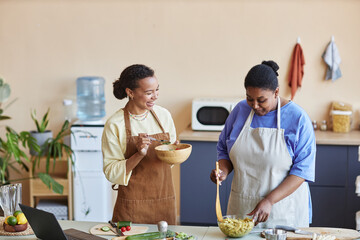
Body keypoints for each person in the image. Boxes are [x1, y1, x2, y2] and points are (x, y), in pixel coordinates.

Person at [210, 60, 316, 228]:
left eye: (261, 100)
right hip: (243, 209)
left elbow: (302, 171)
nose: (255, 106)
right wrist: (222, 170)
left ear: (276, 92)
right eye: (249, 99)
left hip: (284, 213)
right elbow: (224, 148)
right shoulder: (240, 111)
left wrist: (269, 200)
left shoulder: (298, 119)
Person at [102, 64, 177, 224]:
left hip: (164, 201)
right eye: (149, 92)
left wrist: (174, 151)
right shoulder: (115, 124)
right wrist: (139, 154)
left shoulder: (163, 116)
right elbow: (111, 172)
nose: (155, 96)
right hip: (131, 206)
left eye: (157, 90)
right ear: (130, 92)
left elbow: (170, 162)